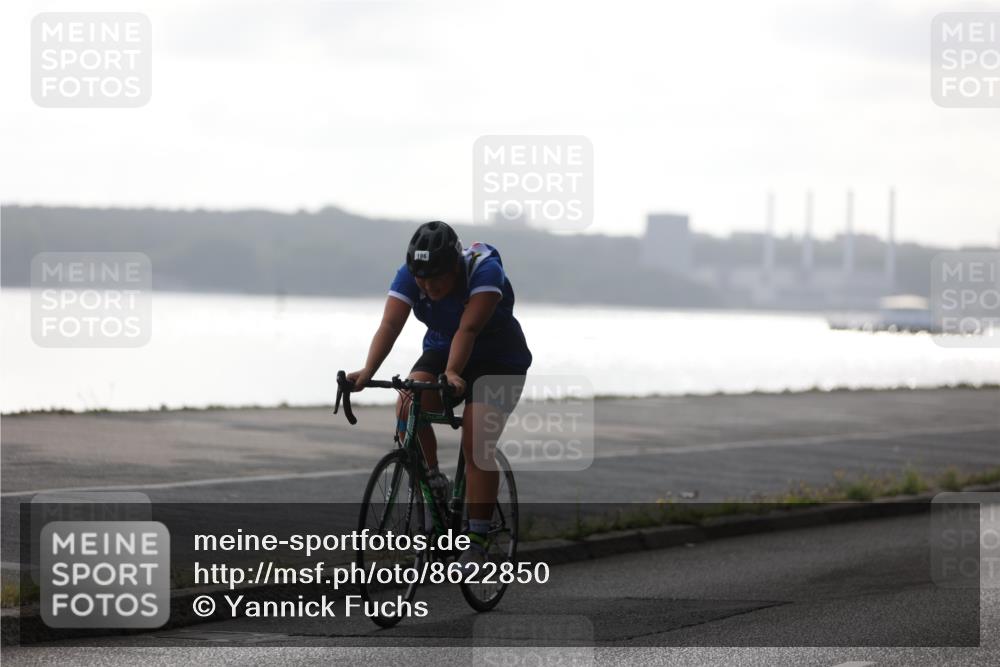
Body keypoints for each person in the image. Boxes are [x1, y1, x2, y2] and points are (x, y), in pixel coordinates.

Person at [347, 220, 532, 570]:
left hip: (499, 361)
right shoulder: (410, 274)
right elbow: (390, 325)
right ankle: (433, 479)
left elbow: (469, 327)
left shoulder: (485, 273)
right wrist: (367, 371)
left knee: (477, 441)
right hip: (443, 349)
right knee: (407, 403)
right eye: (422, 280)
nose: (428, 287)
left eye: (436, 280)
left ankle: (477, 540)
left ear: (454, 269)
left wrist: (451, 372)